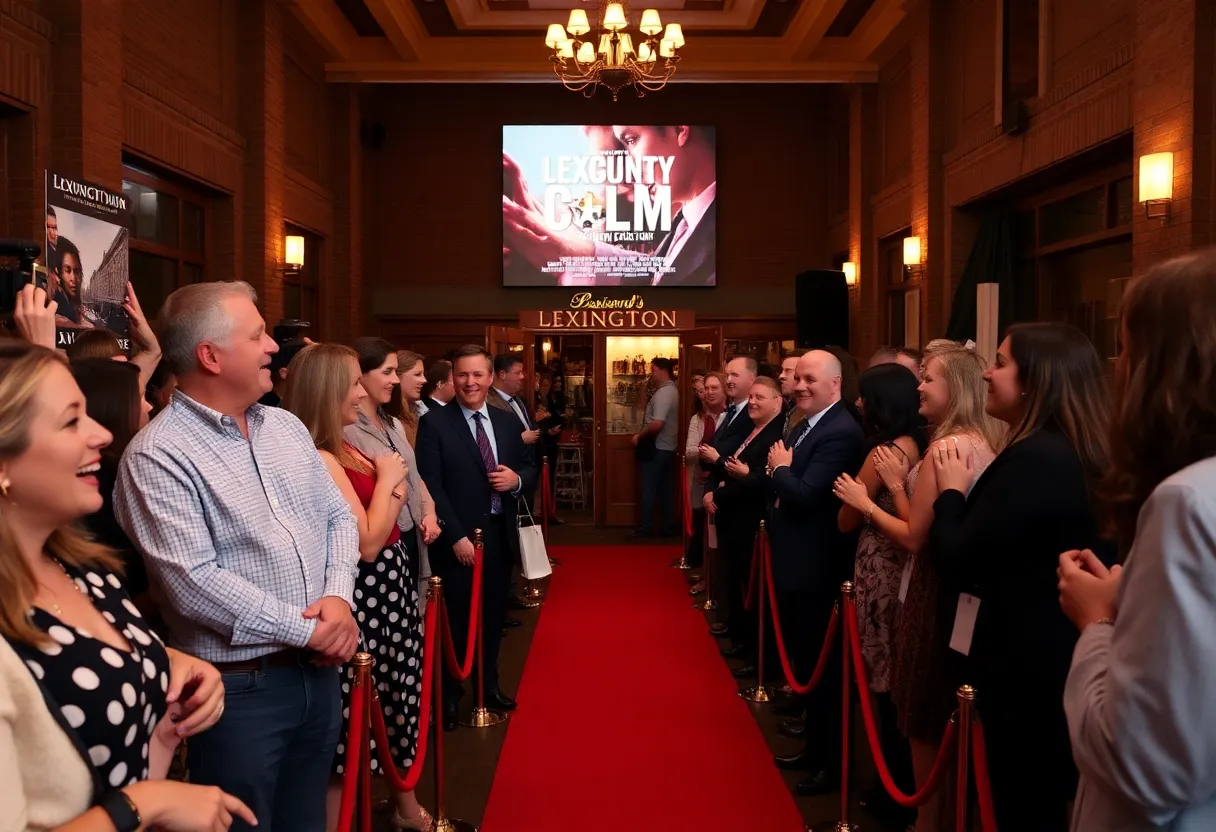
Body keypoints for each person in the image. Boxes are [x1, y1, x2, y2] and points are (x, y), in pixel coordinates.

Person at [114, 281, 361, 832]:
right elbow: (192, 582)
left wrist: (338, 600)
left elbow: (338, 518)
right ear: (211, 355)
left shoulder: (287, 428)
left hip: (316, 678)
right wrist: (312, 632)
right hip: (236, 691)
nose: (274, 345)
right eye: (257, 335)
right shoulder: (159, 454)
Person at [0, 340, 253, 832]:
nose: (99, 434)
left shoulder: (86, 573)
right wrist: (148, 803)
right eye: (71, 421)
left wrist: (171, 671)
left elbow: (126, 735)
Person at [928, 323, 1112, 830]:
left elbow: (960, 555)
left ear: (1037, 380)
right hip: (1044, 654)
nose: (986, 372)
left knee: (1021, 801)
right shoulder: (1057, 449)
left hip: (1022, 665)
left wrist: (951, 491)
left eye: (1001, 362)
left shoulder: (1038, 457)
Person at [1059, 251, 1216, 832]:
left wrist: (1097, 624)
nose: (1116, 366)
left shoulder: (1188, 503)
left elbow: (1145, 766)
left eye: (1125, 349)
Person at [282, 343, 432, 832]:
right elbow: (366, 542)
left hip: (388, 590)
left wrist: (394, 492)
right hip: (365, 596)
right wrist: (391, 482)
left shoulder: (342, 445)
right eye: (350, 382)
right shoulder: (322, 453)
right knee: (356, 724)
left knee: (393, 704)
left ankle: (398, 806)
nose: (360, 391)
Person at [414, 345, 538, 730]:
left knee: (492, 617)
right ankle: (450, 698)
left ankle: (488, 688)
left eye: (477, 375)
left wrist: (516, 481)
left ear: (490, 378)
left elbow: (529, 467)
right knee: (455, 623)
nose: (470, 382)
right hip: (458, 545)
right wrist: (455, 537)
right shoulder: (435, 424)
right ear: (452, 378)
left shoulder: (504, 422)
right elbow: (429, 484)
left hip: (500, 539)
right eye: (462, 375)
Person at [765, 349, 865, 796]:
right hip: (797, 561)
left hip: (818, 567)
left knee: (823, 673)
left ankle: (830, 765)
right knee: (808, 664)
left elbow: (806, 494)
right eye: (798, 377)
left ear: (836, 384)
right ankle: (814, 747)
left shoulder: (840, 431)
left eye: (810, 379)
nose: (800, 385)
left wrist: (779, 470)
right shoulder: (808, 423)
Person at [833, 362, 926, 827]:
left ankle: (887, 782)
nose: (860, 404)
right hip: (906, 574)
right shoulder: (919, 443)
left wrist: (857, 502)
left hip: (879, 568)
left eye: (866, 397)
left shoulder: (883, 453)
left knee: (881, 676)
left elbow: (846, 519)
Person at [345, 338, 441, 605]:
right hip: (381, 544)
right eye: (387, 372)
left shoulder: (395, 424)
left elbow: (414, 476)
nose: (396, 381)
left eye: (395, 372)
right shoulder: (345, 430)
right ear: (359, 375)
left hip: (414, 536)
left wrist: (430, 511)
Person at [703, 376, 786, 677]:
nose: (752, 402)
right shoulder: (755, 429)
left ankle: (755, 655)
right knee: (738, 584)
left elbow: (758, 480)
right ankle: (741, 640)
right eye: (751, 397)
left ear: (777, 402)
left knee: (750, 588)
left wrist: (722, 491)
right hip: (734, 517)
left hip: (750, 521)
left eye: (759, 397)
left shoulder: (775, 435)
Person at [71, 359, 155, 609]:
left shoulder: (114, 471)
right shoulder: (102, 483)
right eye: (139, 397)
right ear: (113, 408)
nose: (149, 406)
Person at [685, 371, 726, 587]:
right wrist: (709, 452)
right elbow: (689, 451)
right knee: (702, 528)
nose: (707, 393)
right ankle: (705, 575)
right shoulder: (697, 418)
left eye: (713, 388)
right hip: (699, 480)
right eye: (705, 389)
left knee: (719, 533)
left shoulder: (731, 418)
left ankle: (716, 580)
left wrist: (712, 454)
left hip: (722, 481)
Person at [632, 357, 679, 537]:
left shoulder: (664, 393)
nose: (651, 374)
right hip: (669, 447)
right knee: (666, 490)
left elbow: (657, 423)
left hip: (658, 447)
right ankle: (667, 526)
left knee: (649, 488)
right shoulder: (672, 390)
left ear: (662, 370)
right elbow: (643, 407)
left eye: (653, 370)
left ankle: (645, 527)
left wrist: (639, 436)